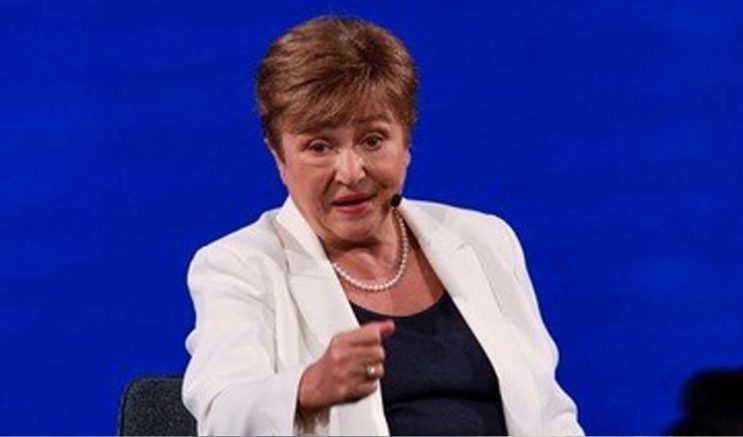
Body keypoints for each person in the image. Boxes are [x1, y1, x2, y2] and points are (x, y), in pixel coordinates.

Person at [182, 16, 583, 436]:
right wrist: (307, 389)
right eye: (319, 146)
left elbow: (551, 417)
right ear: (279, 157)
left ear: (406, 142)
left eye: (373, 140)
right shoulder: (240, 265)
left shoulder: (485, 241)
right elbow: (220, 415)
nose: (351, 172)